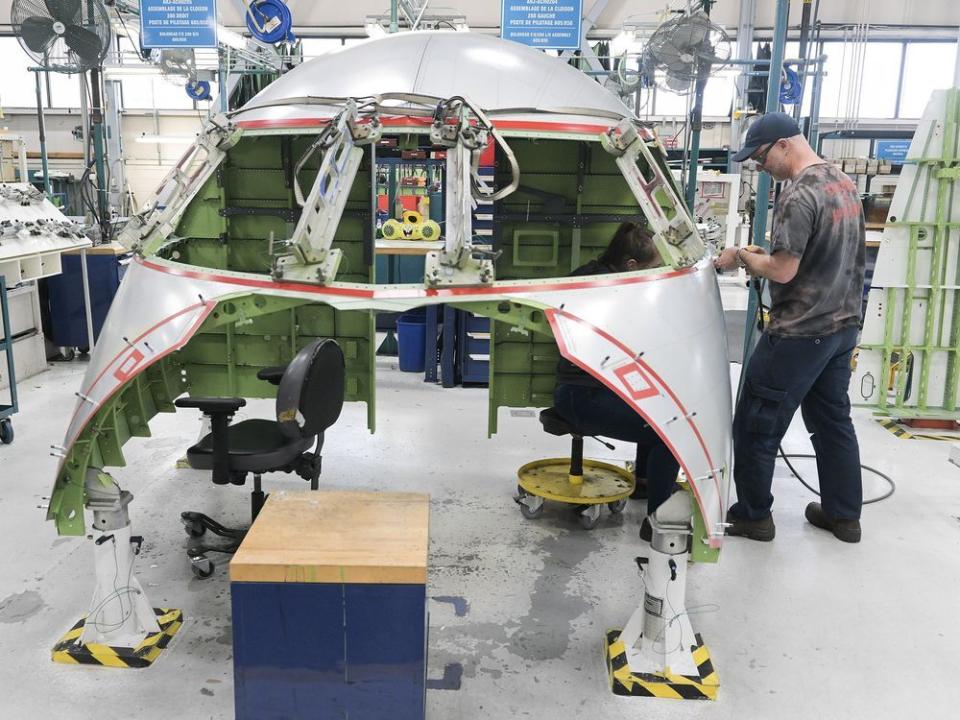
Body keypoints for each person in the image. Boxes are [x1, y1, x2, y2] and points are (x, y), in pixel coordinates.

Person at [715, 112, 865, 543]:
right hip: (841, 328)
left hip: (800, 332)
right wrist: (766, 255)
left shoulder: (798, 194)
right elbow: (818, 256)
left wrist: (741, 256)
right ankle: (843, 515)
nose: (761, 168)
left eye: (761, 158)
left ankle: (753, 515)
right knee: (833, 421)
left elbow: (782, 272)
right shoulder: (842, 181)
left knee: (756, 422)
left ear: (783, 145)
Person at [553, 222, 680, 540]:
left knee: (656, 408)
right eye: (649, 270)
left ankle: (645, 484)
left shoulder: (596, 275)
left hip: (584, 391)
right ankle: (658, 522)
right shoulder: (608, 290)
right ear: (631, 265)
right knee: (671, 435)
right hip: (582, 398)